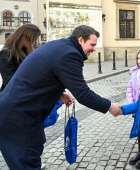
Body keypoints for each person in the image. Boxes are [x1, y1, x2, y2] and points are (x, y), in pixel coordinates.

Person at [0, 25, 122, 170]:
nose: (94, 49)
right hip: (18, 122)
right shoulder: (70, 54)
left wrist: (59, 93)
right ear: (81, 40)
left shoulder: (60, 46)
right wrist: (109, 106)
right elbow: (82, 93)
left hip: (17, 117)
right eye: (92, 44)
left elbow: (43, 76)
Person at [0, 24, 68, 128]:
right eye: (33, 39)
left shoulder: (29, 53)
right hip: (13, 104)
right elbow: (10, 82)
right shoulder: (6, 54)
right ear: (23, 37)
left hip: (30, 103)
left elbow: (40, 76)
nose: (35, 42)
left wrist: (58, 93)